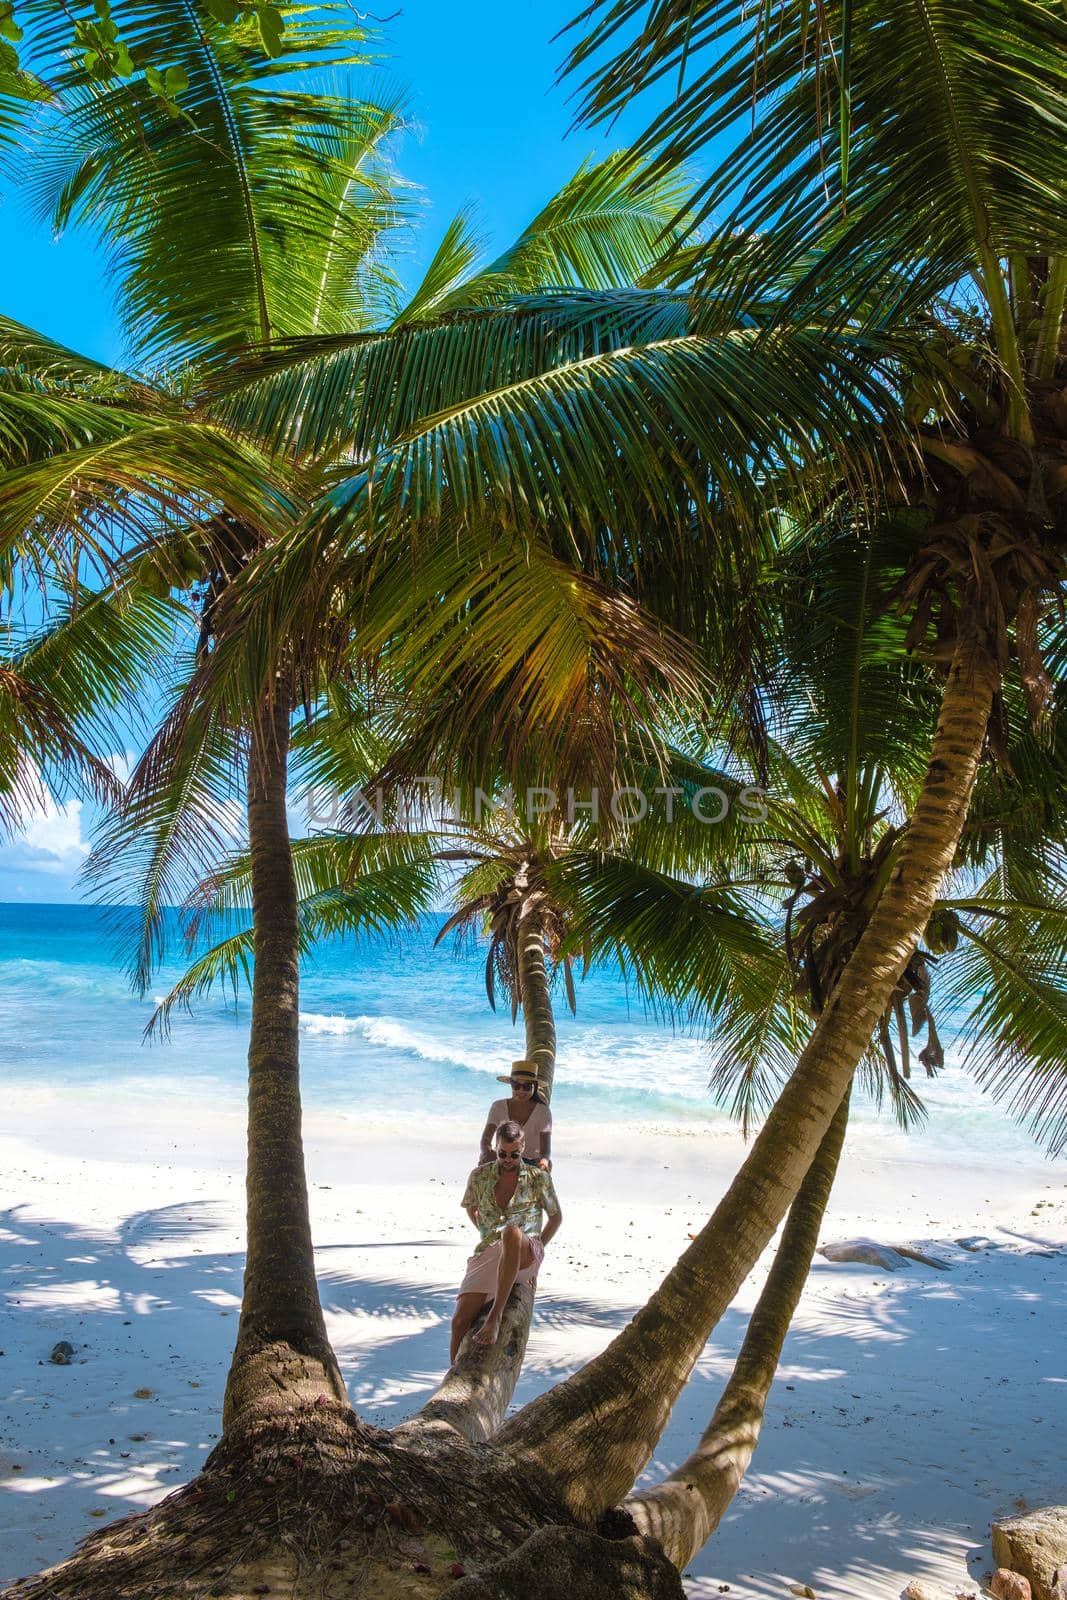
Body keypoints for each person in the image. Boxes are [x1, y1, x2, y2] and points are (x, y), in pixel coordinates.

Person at [451, 1120, 562, 1361]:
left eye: (514, 1154)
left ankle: (495, 1317)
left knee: (511, 1232)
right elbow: (471, 1208)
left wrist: (539, 1247)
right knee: (459, 1322)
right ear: (495, 1148)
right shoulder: (479, 1176)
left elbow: (555, 1218)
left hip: (526, 1250)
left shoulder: (538, 1178)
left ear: (523, 1148)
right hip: (491, 1249)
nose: (508, 1159)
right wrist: (487, 1231)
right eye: (503, 1154)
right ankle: (451, 1384)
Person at [477, 1059, 552, 1168]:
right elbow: (485, 1139)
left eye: (526, 1086)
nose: (521, 1091)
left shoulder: (542, 1111)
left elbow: (545, 1150)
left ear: (534, 1087)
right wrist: (487, 1152)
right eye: (516, 1085)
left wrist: (544, 1162)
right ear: (511, 1085)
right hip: (503, 1158)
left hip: (530, 1162)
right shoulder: (498, 1106)